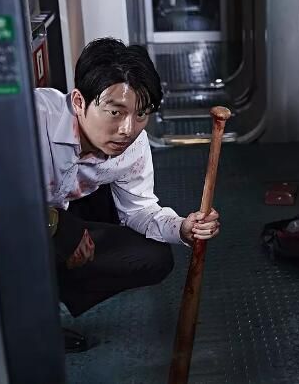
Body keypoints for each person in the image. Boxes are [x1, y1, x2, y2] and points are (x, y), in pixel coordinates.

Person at [36, 37, 220, 352]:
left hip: (57, 219)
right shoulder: (32, 118)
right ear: (79, 102)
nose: (127, 129)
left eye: (141, 114)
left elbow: (139, 210)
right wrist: (57, 225)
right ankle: (18, 321)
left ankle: (45, 300)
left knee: (153, 257)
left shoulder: (134, 145)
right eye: (115, 112)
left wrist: (182, 227)